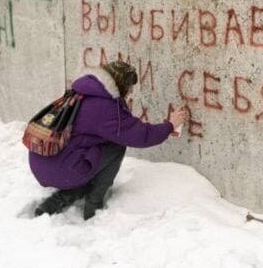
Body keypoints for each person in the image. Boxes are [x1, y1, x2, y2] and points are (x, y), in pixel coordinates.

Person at [29, 61, 186, 220]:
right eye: (129, 86)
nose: (130, 91)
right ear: (120, 84)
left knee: (94, 162)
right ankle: (93, 208)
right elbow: (140, 135)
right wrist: (170, 125)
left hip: (43, 162)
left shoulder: (81, 91)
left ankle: (53, 203)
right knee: (116, 146)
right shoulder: (105, 107)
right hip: (60, 169)